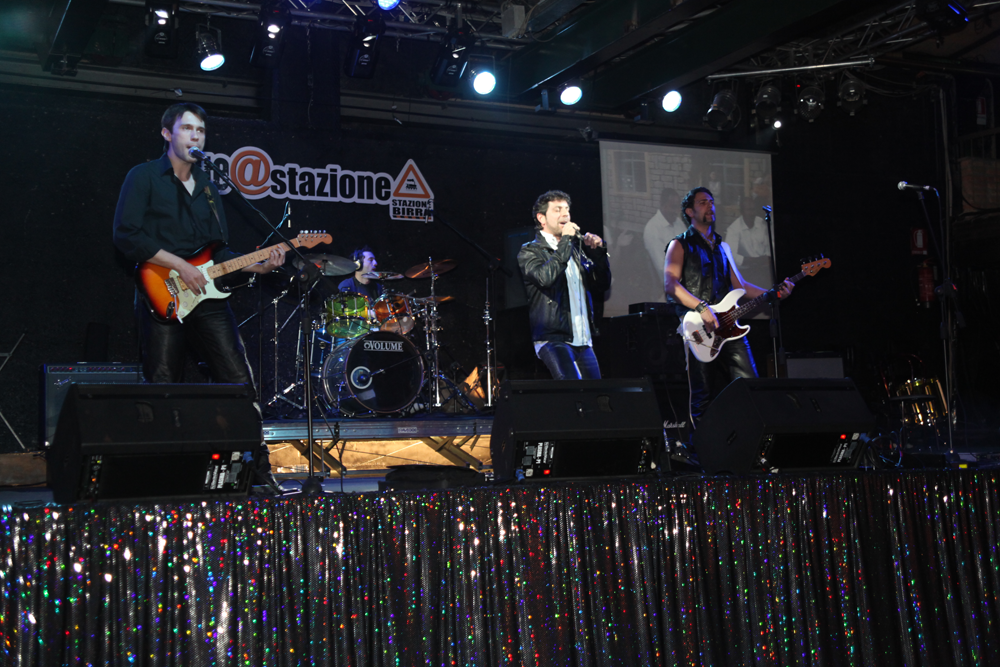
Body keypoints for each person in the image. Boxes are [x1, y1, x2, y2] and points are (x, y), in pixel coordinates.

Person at [113, 103, 286, 481]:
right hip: (161, 291)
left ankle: (258, 473)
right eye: (188, 128)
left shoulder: (208, 187)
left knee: (239, 380)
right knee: (162, 384)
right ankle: (161, 475)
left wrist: (260, 265)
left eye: (201, 130)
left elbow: (219, 252)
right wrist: (179, 265)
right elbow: (126, 235)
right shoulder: (144, 176)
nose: (195, 136)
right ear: (167, 133)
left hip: (207, 297)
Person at [664, 186, 793, 429]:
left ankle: (747, 441)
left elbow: (740, 286)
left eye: (711, 201)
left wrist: (774, 293)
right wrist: (702, 307)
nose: (710, 206)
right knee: (702, 395)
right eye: (703, 202)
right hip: (699, 327)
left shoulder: (723, 247)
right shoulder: (679, 244)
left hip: (729, 325)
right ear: (690, 211)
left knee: (749, 387)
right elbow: (671, 284)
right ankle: (703, 447)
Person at [517, 190, 612, 380]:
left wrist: (599, 253)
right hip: (553, 338)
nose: (565, 214)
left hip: (583, 340)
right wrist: (567, 240)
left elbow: (602, 285)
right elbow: (546, 278)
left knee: (596, 394)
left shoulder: (576, 250)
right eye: (557, 209)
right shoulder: (530, 251)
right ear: (541, 218)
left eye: (567, 209)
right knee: (572, 390)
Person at [724, 194, 771, 273]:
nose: (752, 213)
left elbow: (768, 245)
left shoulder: (761, 223)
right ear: (742, 212)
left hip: (763, 267)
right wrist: (751, 261)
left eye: (753, 209)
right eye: (749, 210)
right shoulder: (734, 229)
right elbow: (730, 254)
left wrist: (766, 258)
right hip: (744, 270)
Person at [642, 188, 684, 277]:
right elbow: (663, 267)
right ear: (663, 206)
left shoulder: (678, 222)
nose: (677, 211)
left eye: (678, 207)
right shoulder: (653, 229)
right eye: (673, 207)